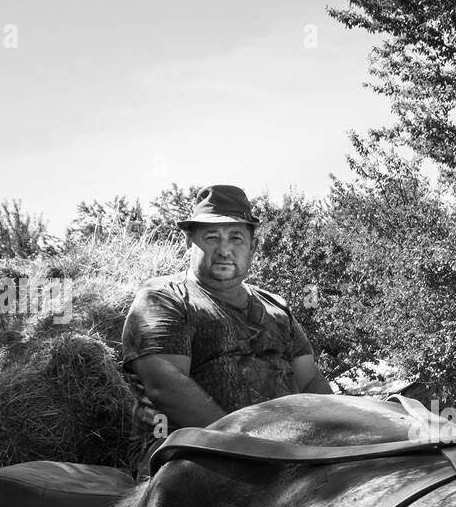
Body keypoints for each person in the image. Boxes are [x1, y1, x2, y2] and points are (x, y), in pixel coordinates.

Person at [121, 184, 331, 474]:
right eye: (211, 237)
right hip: (184, 453)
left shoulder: (277, 308)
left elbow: (310, 382)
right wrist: (247, 448)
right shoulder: (163, 299)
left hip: (286, 453)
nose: (224, 250)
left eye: (236, 238)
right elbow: (165, 387)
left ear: (253, 247)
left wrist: (336, 436)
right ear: (188, 241)